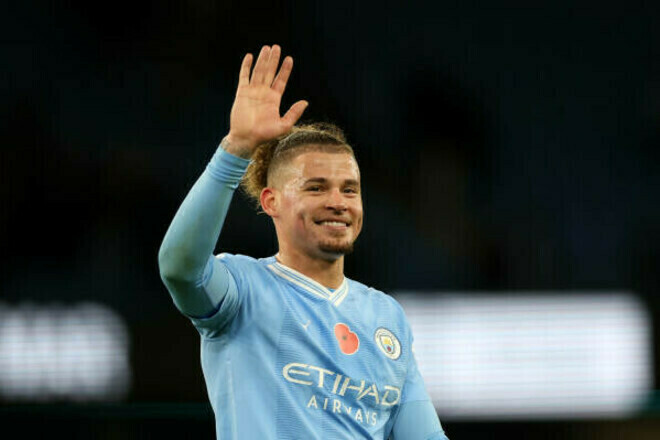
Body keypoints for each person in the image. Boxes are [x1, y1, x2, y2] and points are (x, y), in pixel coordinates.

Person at [158, 44, 449, 440]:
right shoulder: (242, 291)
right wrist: (237, 148)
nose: (338, 202)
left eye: (350, 189)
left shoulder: (387, 316)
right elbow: (180, 270)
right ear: (271, 202)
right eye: (316, 187)